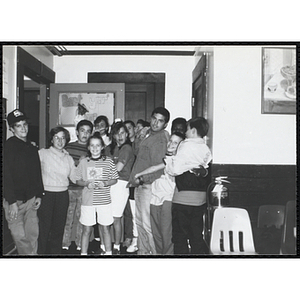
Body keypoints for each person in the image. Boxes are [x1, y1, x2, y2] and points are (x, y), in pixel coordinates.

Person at [165, 117, 212, 254]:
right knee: (196, 235)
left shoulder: (185, 145)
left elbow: (175, 170)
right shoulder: (205, 148)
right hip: (200, 199)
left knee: (180, 237)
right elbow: (205, 167)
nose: (184, 131)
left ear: (193, 130)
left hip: (183, 198)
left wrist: (168, 162)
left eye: (187, 128)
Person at [134, 131, 185, 254]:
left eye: (175, 143)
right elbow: (153, 168)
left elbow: (156, 169)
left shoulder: (177, 161)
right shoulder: (164, 158)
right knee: (156, 234)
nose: (171, 144)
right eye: (170, 141)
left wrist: (139, 175)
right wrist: (139, 175)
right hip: (154, 199)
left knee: (166, 235)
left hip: (167, 200)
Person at [128, 107, 170, 255]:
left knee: (147, 224)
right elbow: (137, 154)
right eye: (154, 119)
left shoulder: (160, 140)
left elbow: (158, 168)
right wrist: (140, 137)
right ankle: (143, 252)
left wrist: (142, 179)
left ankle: (153, 253)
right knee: (139, 222)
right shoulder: (148, 135)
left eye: (160, 121)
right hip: (140, 184)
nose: (155, 123)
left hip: (148, 185)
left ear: (165, 124)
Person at [3, 109, 44, 255]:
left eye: (24, 124)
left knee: (33, 234)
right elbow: (5, 176)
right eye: (18, 126)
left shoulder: (31, 147)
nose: (23, 128)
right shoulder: (9, 147)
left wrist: (39, 194)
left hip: (31, 199)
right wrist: (12, 202)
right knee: (19, 236)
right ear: (11, 129)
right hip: (15, 202)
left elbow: (36, 173)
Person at [75, 132, 119, 255]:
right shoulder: (84, 162)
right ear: (88, 147)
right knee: (86, 229)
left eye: (98, 145)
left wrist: (105, 183)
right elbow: (77, 180)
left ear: (102, 147)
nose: (95, 148)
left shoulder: (109, 162)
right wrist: (86, 184)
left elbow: (115, 178)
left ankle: (108, 253)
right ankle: (83, 254)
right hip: (88, 201)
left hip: (104, 201)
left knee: (105, 228)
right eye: (92, 145)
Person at [38, 127, 77, 255]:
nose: (60, 141)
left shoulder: (68, 158)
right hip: (46, 195)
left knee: (58, 228)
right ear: (52, 139)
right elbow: (34, 173)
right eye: (56, 137)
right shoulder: (42, 153)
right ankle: (40, 254)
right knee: (44, 228)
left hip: (62, 195)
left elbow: (75, 178)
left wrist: (85, 166)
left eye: (63, 138)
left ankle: (55, 255)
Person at [62, 119, 93, 252]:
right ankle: (65, 243)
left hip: (84, 189)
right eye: (82, 131)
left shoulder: (92, 149)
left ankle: (81, 243)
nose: (85, 134)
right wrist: (77, 165)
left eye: (88, 131)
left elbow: (93, 171)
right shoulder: (68, 148)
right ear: (77, 132)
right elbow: (64, 168)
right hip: (69, 188)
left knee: (82, 217)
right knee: (67, 217)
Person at [105, 121, 135, 254]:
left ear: (127, 134)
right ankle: (106, 245)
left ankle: (116, 246)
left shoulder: (127, 148)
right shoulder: (108, 148)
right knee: (105, 216)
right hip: (108, 183)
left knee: (116, 217)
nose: (120, 136)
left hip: (120, 184)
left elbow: (118, 168)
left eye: (122, 133)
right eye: (117, 133)